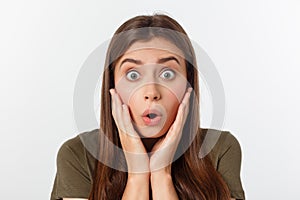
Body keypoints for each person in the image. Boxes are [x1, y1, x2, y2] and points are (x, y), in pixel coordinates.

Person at [50, 14, 245, 200]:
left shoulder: (220, 148)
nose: (151, 92)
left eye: (167, 74)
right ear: (113, 87)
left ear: (189, 84)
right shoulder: (78, 154)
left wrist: (161, 174)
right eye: (133, 75)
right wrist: (137, 174)